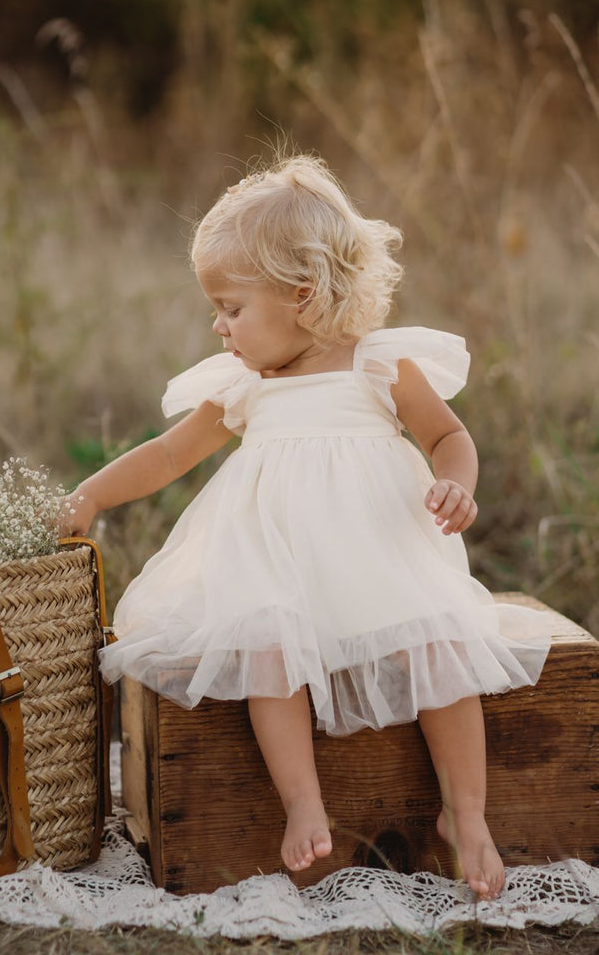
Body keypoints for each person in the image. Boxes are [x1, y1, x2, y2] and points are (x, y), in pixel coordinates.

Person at [60, 153, 551, 901]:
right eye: (215, 309)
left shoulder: (380, 365)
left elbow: (449, 437)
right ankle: (302, 800)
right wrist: (93, 493)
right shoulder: (245, 385)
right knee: (267, 651)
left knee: (443, 647)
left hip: (379, 561)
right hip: (276, 568)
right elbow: (168, 454)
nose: (218, 326)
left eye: (231, 307)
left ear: (302, 294)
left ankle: (468, 813)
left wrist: (457, 482)